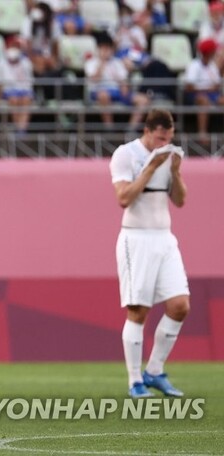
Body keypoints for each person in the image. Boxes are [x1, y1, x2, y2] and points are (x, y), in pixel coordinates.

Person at [109, 108, 189, 399]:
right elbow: (123, 198)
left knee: (180, 305)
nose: (163, 142)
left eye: (168, 138)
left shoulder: (169, 156)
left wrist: (176, 171)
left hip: (164, 238)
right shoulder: (126, 154)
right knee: (138, 310)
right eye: (159, 137)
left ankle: (154, 370)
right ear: (147, 131)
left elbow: (179, 201)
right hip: (136, 238)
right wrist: (151, 168)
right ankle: (134, 381)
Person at [0, 36, 34, 135]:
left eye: (17, 46)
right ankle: (17, 126)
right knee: (14, 99)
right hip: (8, 89)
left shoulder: (26, 62)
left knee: (26, 100)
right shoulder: (1, 61)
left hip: (23, 89)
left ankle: (22, 129)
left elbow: (30, 80)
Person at [184, 38, 224, 142]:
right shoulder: (194, 65)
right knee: (203, 100)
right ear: (209, 52)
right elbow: (189, 87)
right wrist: (207, 88)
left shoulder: (212, 65)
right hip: (194, 95)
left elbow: (217, 85)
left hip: (212, 94)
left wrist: (210, 89)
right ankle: (202, 134)